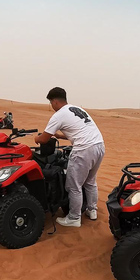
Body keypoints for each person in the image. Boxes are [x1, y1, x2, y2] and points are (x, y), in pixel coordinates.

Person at [34, 87, 105, 228]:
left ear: (54, 101)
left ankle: (74, 218)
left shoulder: (59, 115)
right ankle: (92, 210)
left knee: (74, 185)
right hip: (99, 145)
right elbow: (81, 129)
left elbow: (43, 139)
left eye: (51, 103)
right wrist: (61, 136)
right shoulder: (77, 109)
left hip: (83, 149)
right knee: (90, 181)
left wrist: (36, 138)